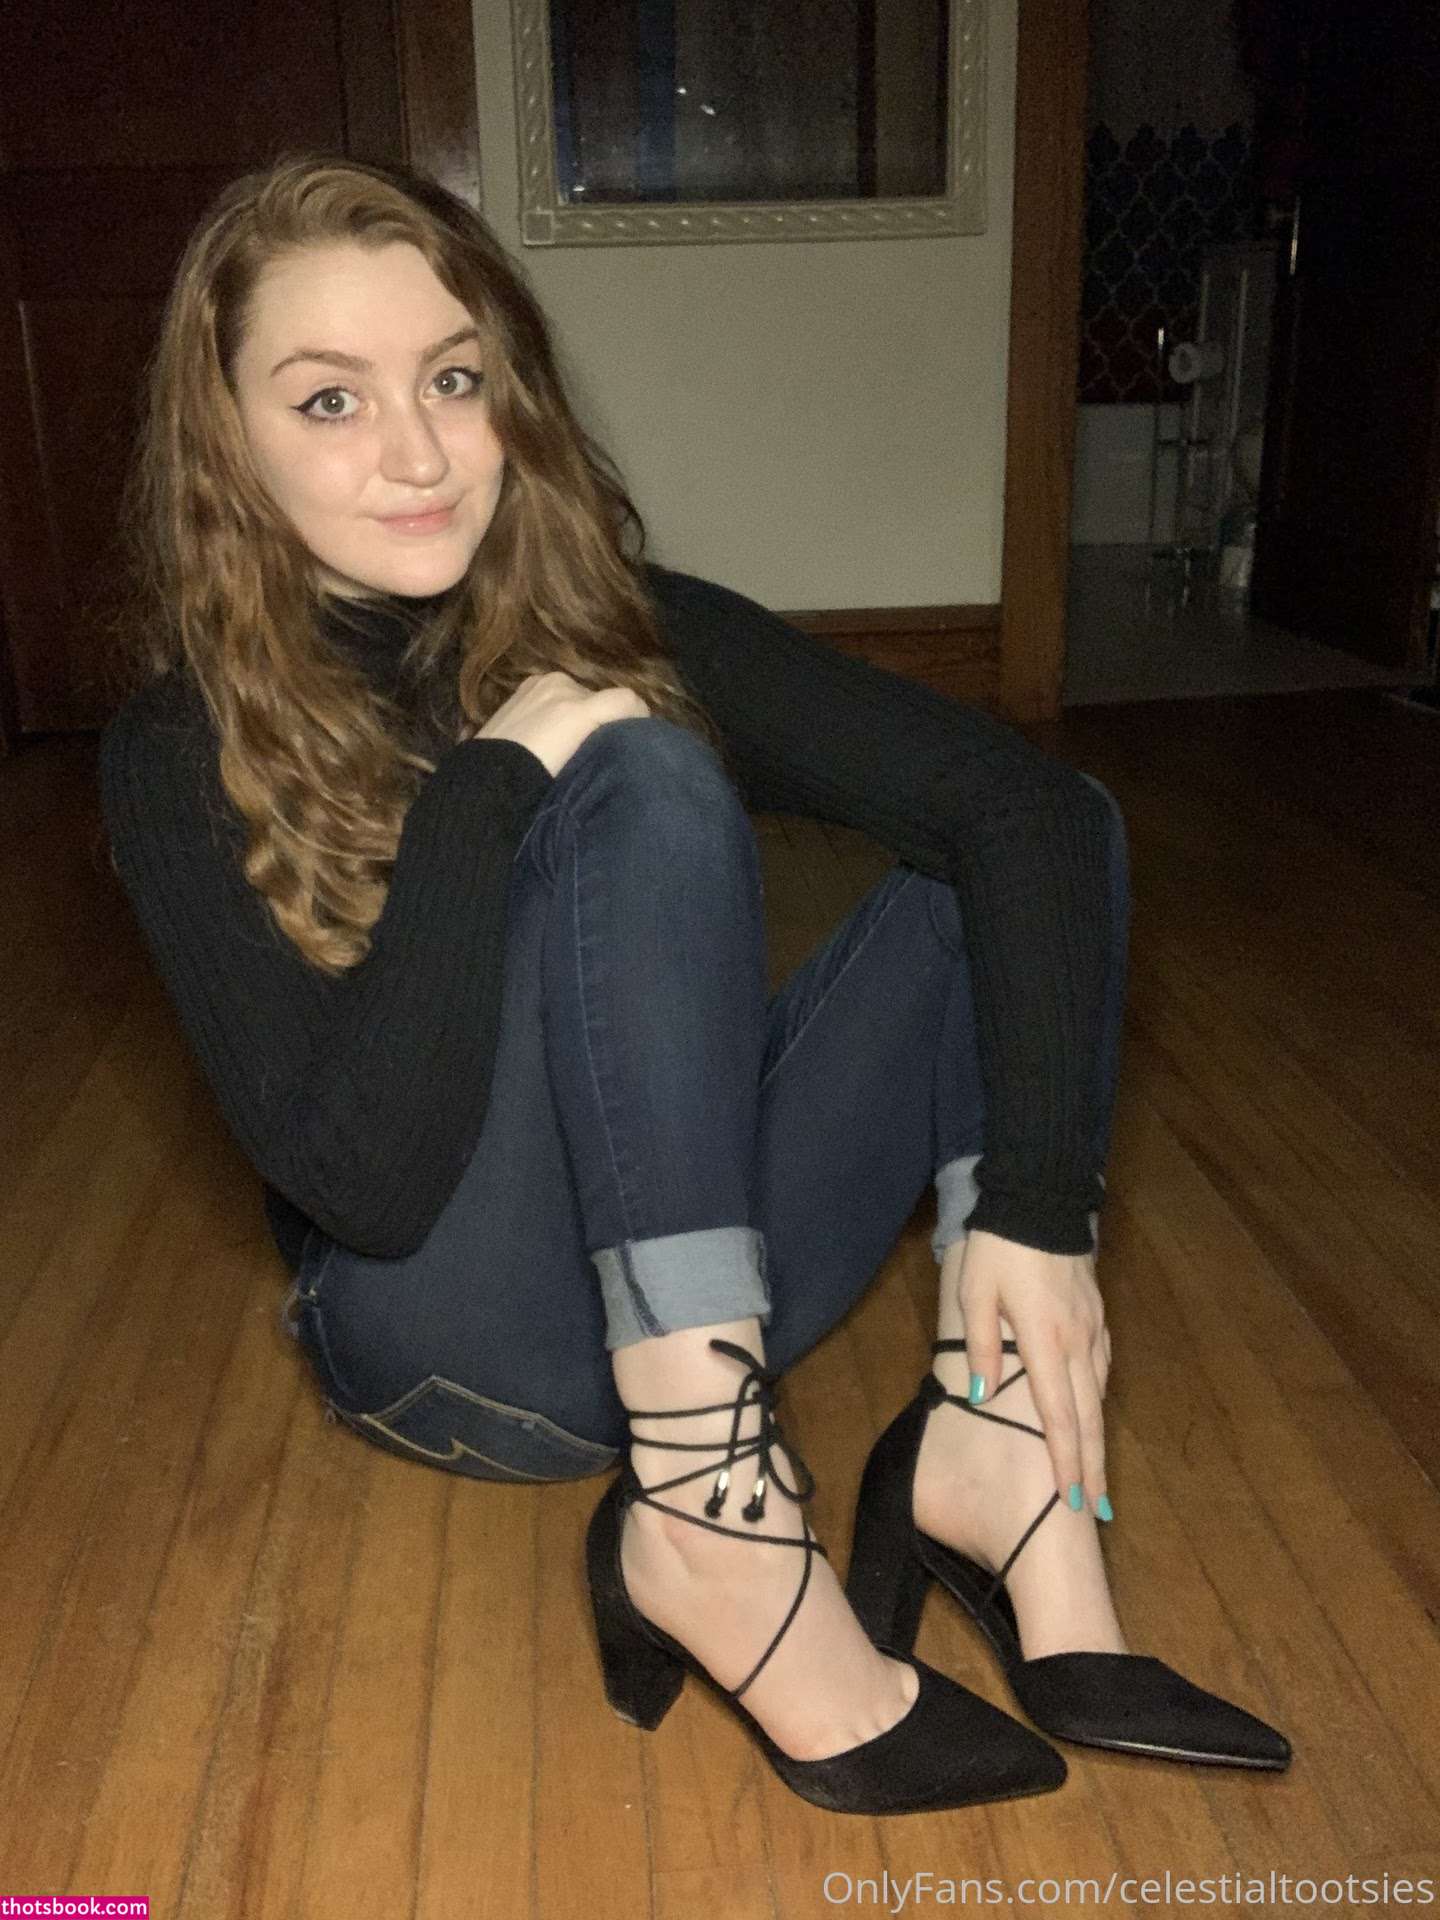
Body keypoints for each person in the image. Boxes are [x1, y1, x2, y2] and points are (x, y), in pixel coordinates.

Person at [99, 155, 1289, 1815]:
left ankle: (998, 1449)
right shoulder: (174, 751)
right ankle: (711, 1532)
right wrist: (491, 787)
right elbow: (363, 1186)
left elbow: (1028, 815)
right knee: (644, 775)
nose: (419, 453)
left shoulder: (614, 620)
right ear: (227, 440)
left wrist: (1038, 1213)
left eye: (454, 379)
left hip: (703, 1310)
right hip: (451, 1344)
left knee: (1030, 847)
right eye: (330, 400)